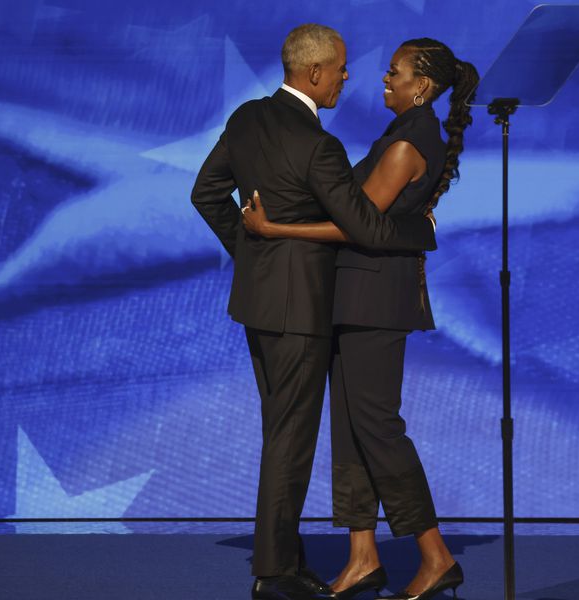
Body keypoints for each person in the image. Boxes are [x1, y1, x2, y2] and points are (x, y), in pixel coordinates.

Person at [190, 24, 438, 600]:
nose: (348, 77)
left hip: (258, 301)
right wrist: (419, 231)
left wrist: (256, 256)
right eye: (342, 68)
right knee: (291, 439)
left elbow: (205, 193)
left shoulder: (246, 118)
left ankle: (285, 560)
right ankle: (274, 572)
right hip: (303, 309)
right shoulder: (319, 146)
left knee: (281, 431)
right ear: (316, 74)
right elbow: (368, 227)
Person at [242, 38, 479, 600]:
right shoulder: (401, 136)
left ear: (421, 85)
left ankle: (435, 554)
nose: (384, 81)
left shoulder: (408, 143)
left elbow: (356, 224)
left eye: (393, 73)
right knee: (349, 430)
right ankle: (362, 558)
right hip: (352, 296)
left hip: (375, 300)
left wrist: (276, 231)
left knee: (376, 426)